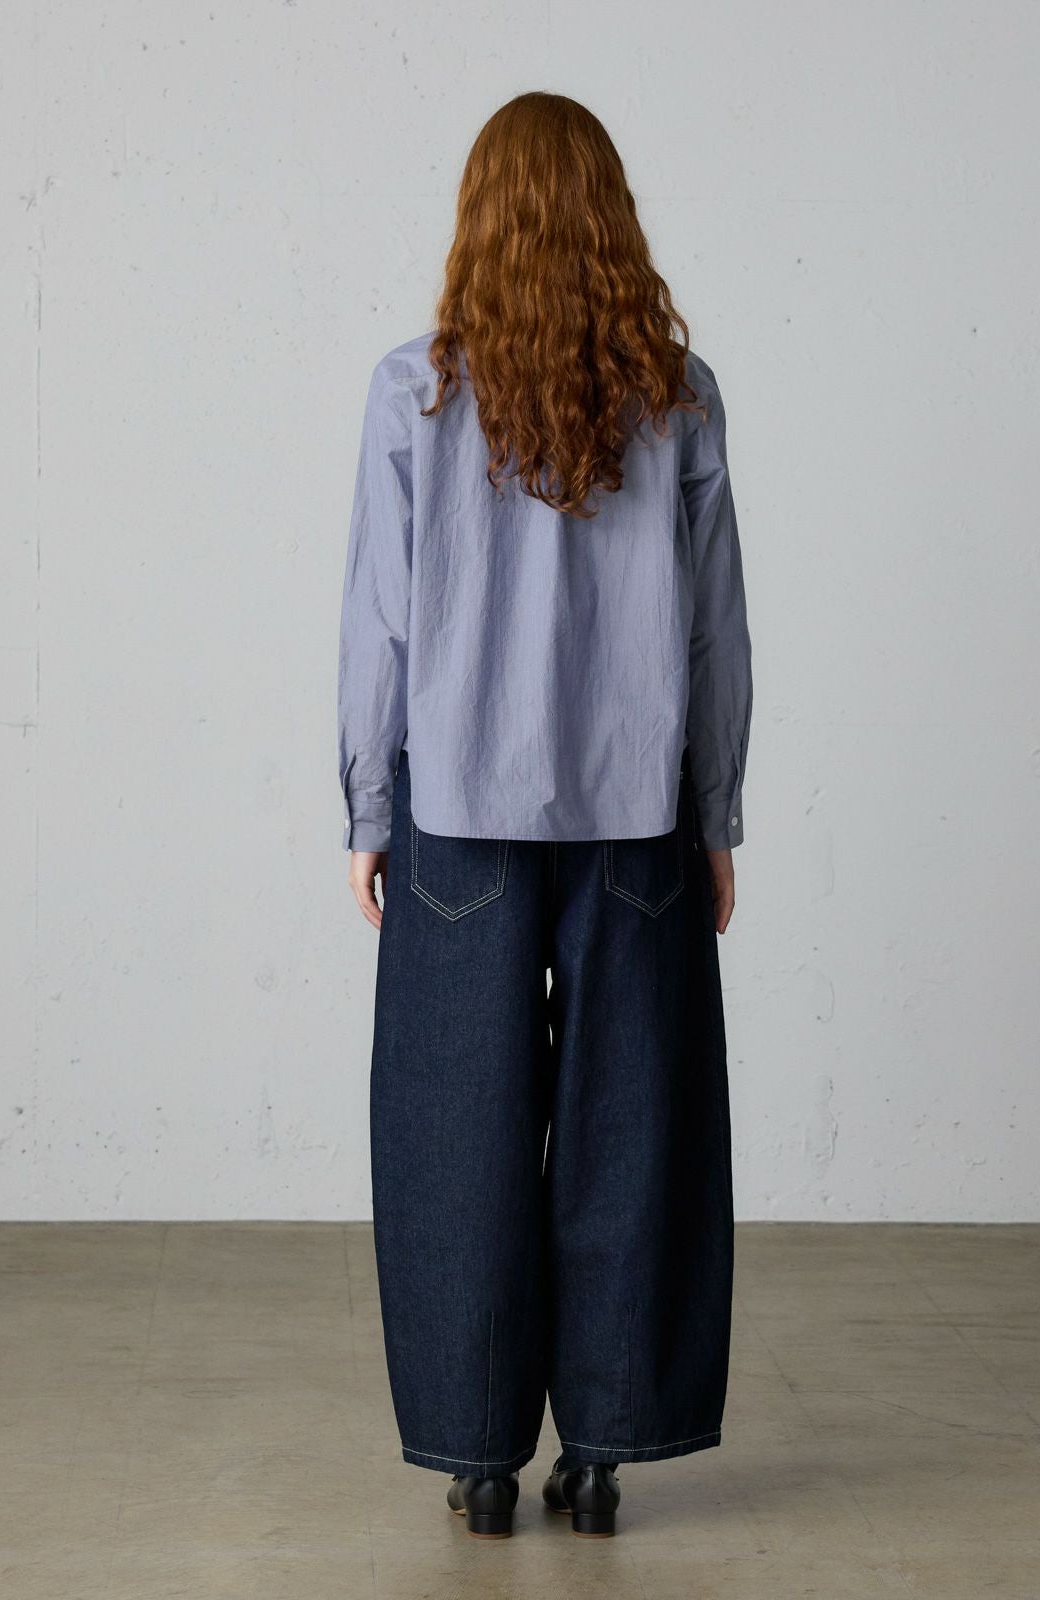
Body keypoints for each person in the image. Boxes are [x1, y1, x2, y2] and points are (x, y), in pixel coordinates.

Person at [335, 90, 753, 1541]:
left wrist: (368, 806)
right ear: (611, 221)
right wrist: (716, 811)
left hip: (459, 814)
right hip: (636, 816)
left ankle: (475, 1458)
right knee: (632, 1130)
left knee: (456, 1130)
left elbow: (380, 620)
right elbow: (712, 628)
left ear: (480, 218)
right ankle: (602, 1457)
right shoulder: (678, 396)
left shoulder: (415, 392)